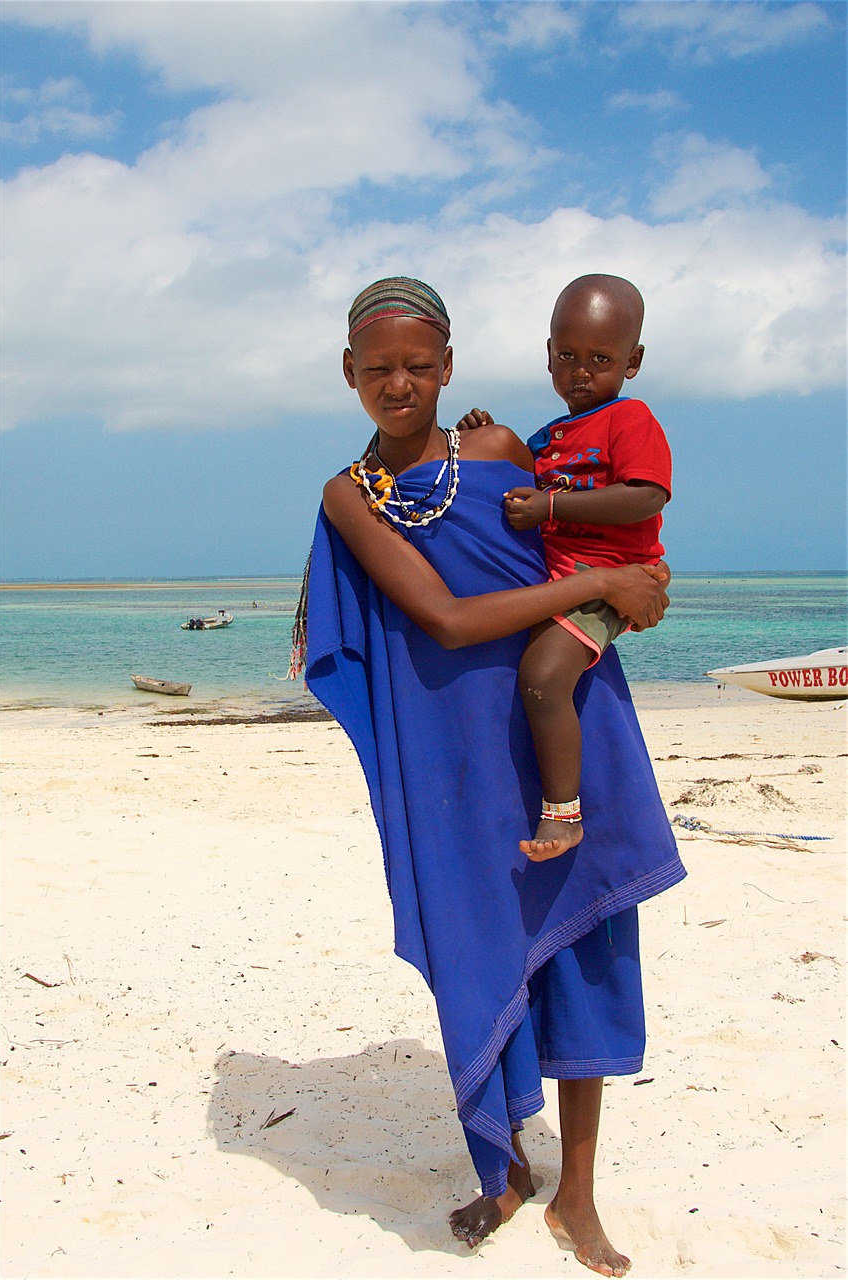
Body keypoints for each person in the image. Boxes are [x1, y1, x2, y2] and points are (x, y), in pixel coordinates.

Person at [298, 277, 685, 1277]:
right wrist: (608, 584)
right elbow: (447, 618)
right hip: (454, 754)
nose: (399, 383)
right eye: (378, 368)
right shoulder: (349, 496)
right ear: (348, 373)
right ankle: (505, 1165)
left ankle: (580, 1195)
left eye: (418, 366)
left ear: (448, 367)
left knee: (588, 946)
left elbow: (603, 531)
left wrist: (634, 588)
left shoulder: (508, 453)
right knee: (479, 940)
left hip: (562, 726)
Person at [463, 275, 671, 863]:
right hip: (561, 575)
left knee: (544, 675)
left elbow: (646, 495)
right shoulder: (551, 437)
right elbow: (519, 477)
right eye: (567, 356)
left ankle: (564, 814)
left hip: (610, 576)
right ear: (548, 353)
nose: (581, 372)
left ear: (633, 361)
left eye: (601, 359)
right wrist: (487, 441)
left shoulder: (630, 419)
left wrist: (552, 505)